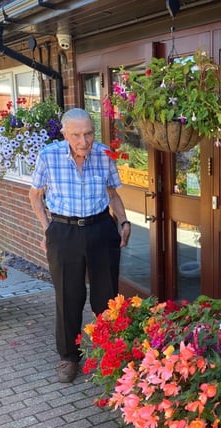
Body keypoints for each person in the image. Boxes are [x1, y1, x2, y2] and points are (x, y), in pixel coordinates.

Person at [29, 108, 131, 383]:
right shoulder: (48, 156)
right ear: (64, 133)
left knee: (107, 297)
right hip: (64, 231)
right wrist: (48, 228)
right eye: (76, 135)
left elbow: (112, 193)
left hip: (100, 228)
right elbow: (35, 195)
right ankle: (69, 357)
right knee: (68, 296)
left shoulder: (103, 153)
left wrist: (123, 222)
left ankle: (111, 350)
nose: (84, 141)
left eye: (89, 133)